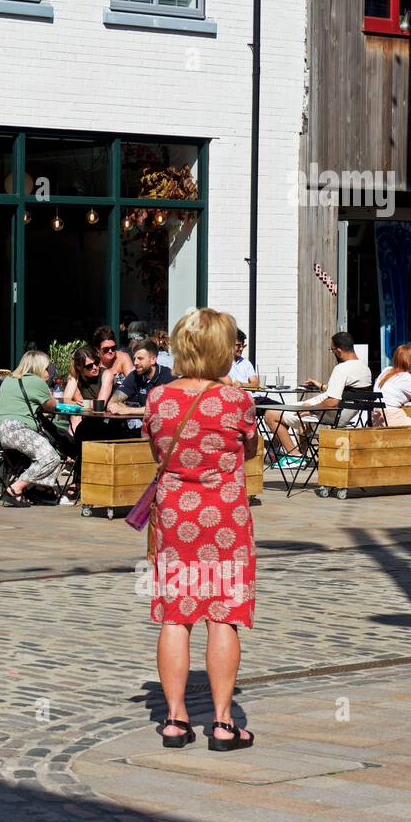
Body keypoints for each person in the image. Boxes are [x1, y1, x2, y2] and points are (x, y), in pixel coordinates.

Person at [144, 307, 261, 751]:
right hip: (224, 519)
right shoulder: (235, 401)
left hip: (175, 516)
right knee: (222, 613)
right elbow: (249, 449)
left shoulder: (158, 397)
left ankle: (174, 720)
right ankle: (224, 723)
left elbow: (154, 445)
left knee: (177, 613)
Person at [263, 331, 372, 465]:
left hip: (328, 415)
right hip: (341, 414)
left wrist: (312, 409)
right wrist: (320, 386)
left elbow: (333, 401)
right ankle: (301, 456)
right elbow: (346, 391)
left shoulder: (341, 369)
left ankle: (294, 456)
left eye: (332, 350)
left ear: (338, 350)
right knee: (298, 419)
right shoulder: (364, 368)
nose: (332, 353)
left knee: (270, 415)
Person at [0, 350, 64, 506]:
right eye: (47, 368)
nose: (48, 372)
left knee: (43, 448)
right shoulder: (36, 382)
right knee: (51, 457)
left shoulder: (9, 379)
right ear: (38, 367)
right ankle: (16, 488)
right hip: (15, 430)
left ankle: (38, 489)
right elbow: (52, 406)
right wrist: (49, 393)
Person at [108, 340, 175, 429]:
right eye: (134, 358)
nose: (135, 363)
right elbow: (111, 403)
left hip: (166, 430)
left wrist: (128, 410)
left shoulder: (168, 377)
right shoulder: (135, 375)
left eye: (140, 358)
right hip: (143, 430)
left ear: (153, 360)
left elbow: (163, 409)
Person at [62, 345, 102, 435]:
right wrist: (78, 405)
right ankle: (74, 446)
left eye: (96, 362)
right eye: (89, 366)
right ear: (79, 367)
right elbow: (66, 400)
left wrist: (86, 404)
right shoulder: (76, 376)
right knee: (76, 416)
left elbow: (101, 404)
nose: (95, 367)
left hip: (103, 417)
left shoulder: (105, 374)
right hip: (87, 417)